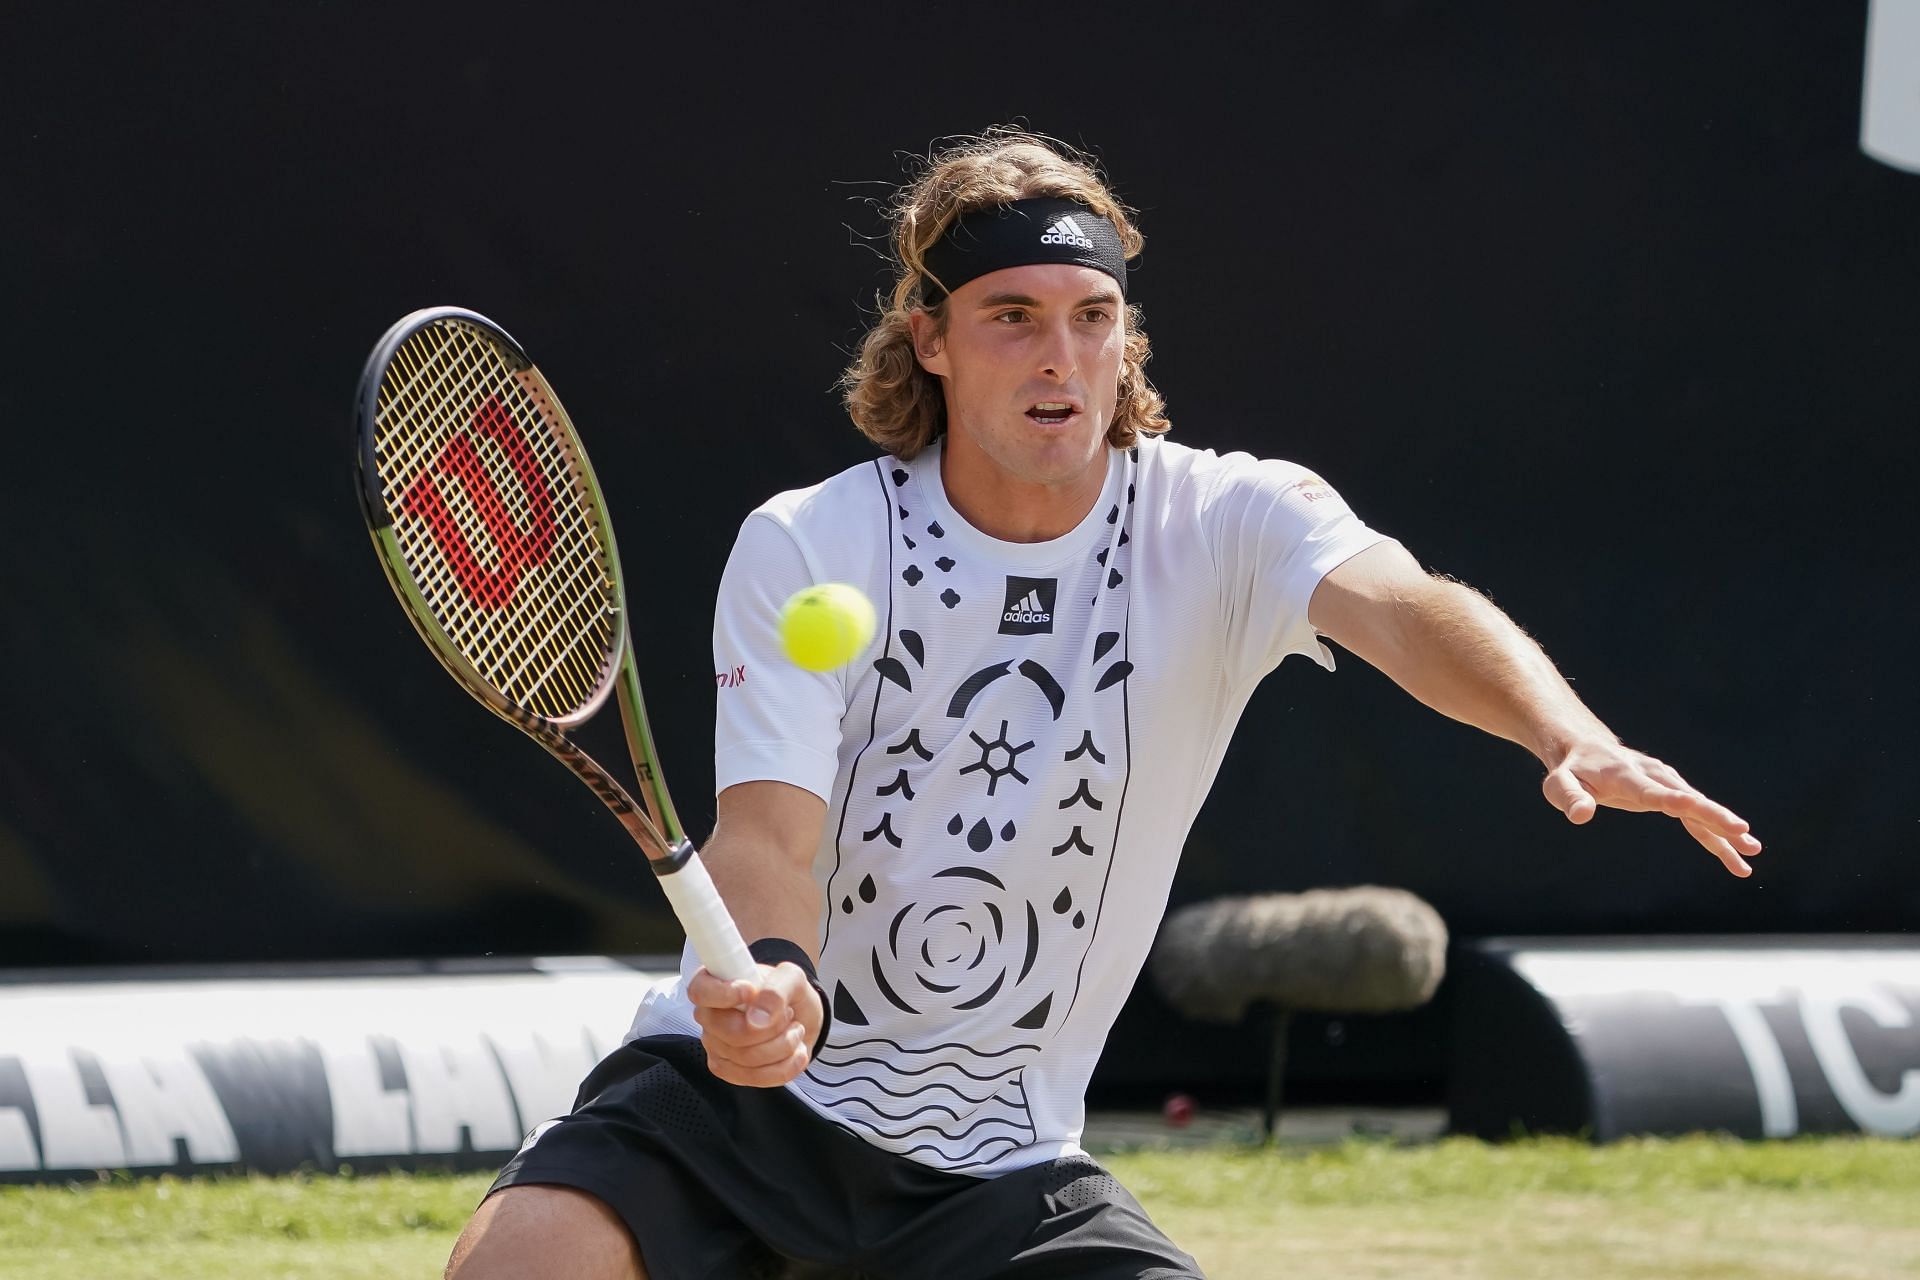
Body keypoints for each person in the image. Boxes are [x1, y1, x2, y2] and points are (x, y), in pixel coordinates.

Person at [445, 128, 1761, 1280]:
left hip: (1002, 1165)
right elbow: (770, 838)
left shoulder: (1231, 518)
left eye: (1090, 313)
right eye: (1011, 315)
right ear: (934, 342)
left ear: (1127, 334)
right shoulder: (810, 543)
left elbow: (1403, 605)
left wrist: (1562, 727)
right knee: (527, 1262)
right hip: (738, 1117)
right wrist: (776, 980)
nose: (1058, 353)